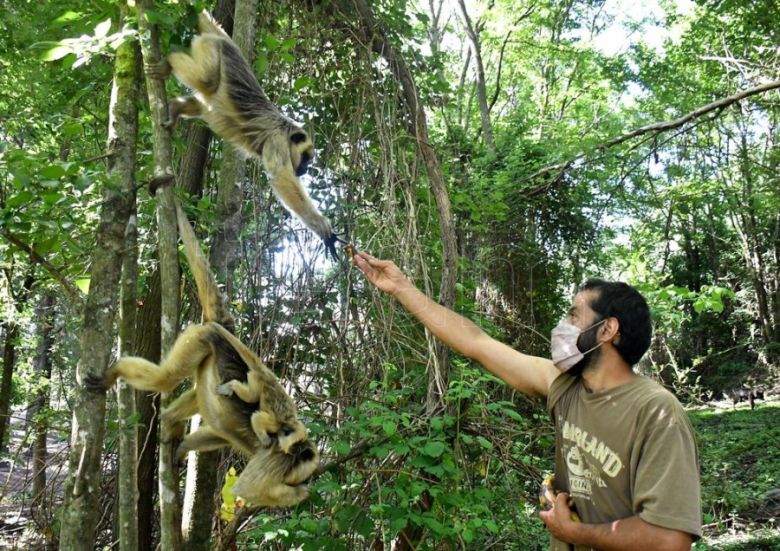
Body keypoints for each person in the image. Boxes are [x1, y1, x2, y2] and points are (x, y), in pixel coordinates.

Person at [352, 251, 701, 551]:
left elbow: (670, 539)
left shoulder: (656, 411)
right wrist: (402, 288)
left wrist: (574, 532)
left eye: (573, 315)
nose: (562, 326)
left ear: (607, 330)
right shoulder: (564, 385)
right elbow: (477, 342)